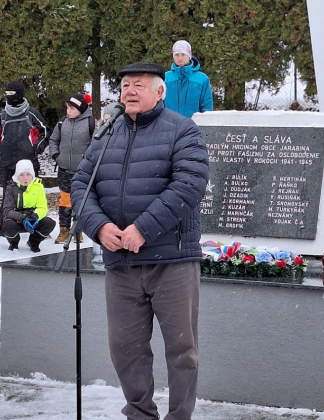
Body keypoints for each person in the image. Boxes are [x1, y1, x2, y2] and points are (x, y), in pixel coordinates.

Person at [71, 62, 209, 420]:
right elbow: (81, 186)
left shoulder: (183, 130)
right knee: (126, 349)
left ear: (160, 92)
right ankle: (139, 414)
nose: (129, 90)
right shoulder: (106, 134)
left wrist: (142, 229)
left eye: (139, 85)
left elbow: (190, 184)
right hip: (121, 264)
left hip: (172, 261)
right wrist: (99, 228)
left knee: (182, 350)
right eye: (125, 84)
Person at [0, 80, 49, 237]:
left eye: (12, 94)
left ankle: (35, 225)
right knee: (7, 196)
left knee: (32, 195)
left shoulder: (32, 113)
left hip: (28, 164)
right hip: (7, 163)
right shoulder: (2, 115)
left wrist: (37, 148)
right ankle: (4, 227)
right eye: (7, 94)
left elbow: (46, 132)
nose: (9, 97)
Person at [47, 93, 94, 243]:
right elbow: (54, 139)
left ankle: (77, 231)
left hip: (82, 171)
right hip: (64, 169)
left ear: (81, 109)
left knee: (79, 202)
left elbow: (95, 145)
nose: (68, 111)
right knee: (65, 200)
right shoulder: (62, 123)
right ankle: (64, 230)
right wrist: (56, 155)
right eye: (68, 107)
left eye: (72, 108)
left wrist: (86, 161)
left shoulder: (90, 123)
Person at [2, 159, 56, 252]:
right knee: (8, 225)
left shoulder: (38, 187)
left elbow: (42, 207)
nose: (25, 178)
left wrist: (35, 216)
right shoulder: (11, 187)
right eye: (22, 175)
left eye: (28, 174)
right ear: (17, 175)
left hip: (32, 219)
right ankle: (14, 243)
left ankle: (34, 242)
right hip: (18, 219)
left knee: (49, 223)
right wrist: (21, 218)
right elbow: (7, 210)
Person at [164, 40, 213, 118]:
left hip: (193, 127)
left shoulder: (202, 79)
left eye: (183, 54)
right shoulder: (165, 78)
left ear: (189, 56)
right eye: (177, 55)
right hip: (170, 126)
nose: (180, 58)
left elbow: (207, 108)